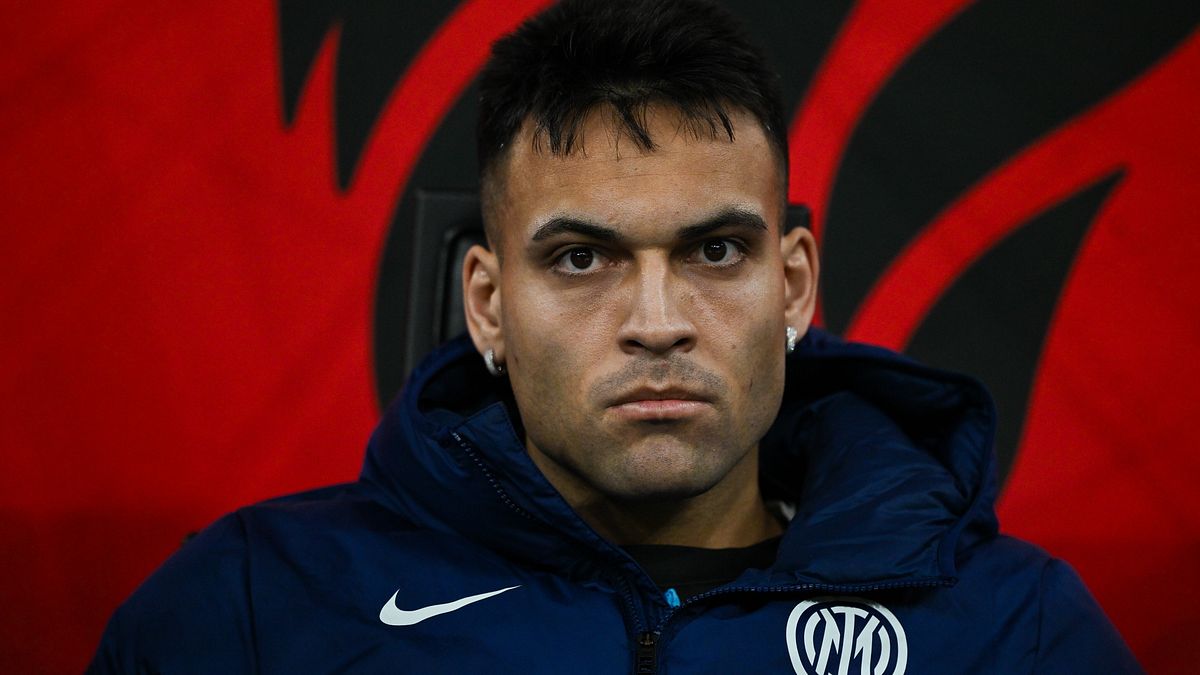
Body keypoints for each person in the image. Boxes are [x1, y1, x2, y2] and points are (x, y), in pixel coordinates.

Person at [89, 0, 1142, 672]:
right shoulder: (254, 608)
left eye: (715, 252)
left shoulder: (1015, 631)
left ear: (794, 285)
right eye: (581, 259)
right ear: (487, 303)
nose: (657, 323)